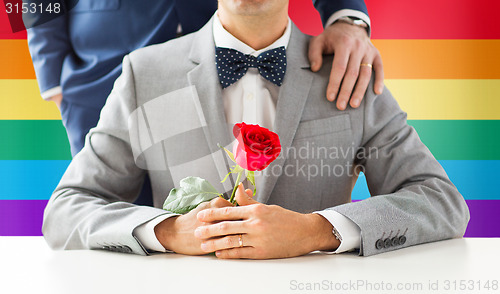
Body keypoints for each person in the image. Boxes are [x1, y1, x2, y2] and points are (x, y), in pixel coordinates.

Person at [42, 0, 469, 258]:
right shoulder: (143, 76)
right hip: (95, 78)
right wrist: (168, 232)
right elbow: (68, 211)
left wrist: (318, 230)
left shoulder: (348, 76)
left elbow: (441, 202)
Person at [25, 0, 383, 156]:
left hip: (231, 61)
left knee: (223, 220)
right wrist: (52, 78)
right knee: (113, 225)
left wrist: (345, 15)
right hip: (100, 73)